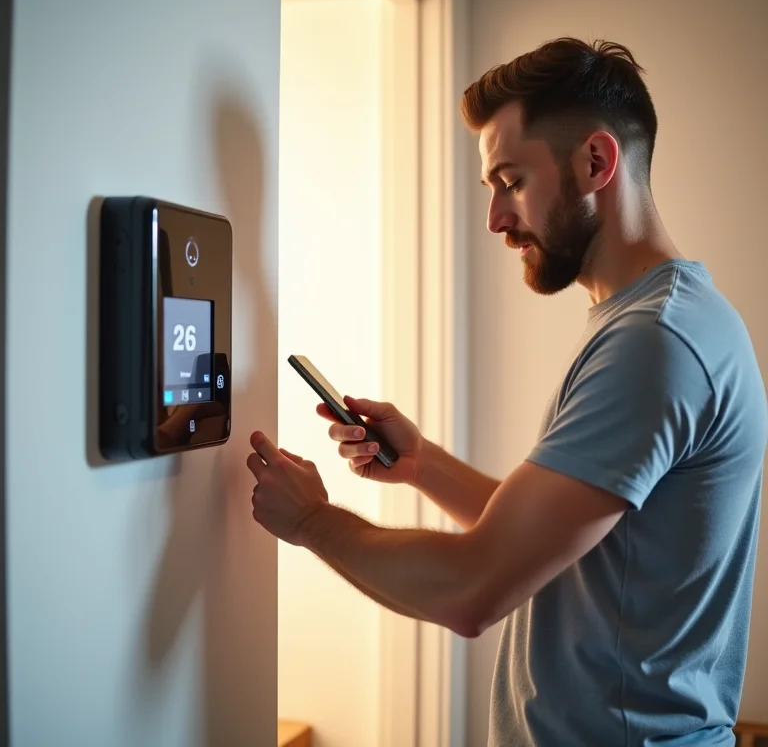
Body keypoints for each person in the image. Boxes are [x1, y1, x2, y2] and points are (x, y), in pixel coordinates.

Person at [246, 37, 768, 746]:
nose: (495, 218)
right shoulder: (657, 322)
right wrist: (422, 464)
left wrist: (312, 524)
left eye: (511, 181)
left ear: (595, 162)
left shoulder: (656, 344)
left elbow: (474, 589)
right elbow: (562, 543)